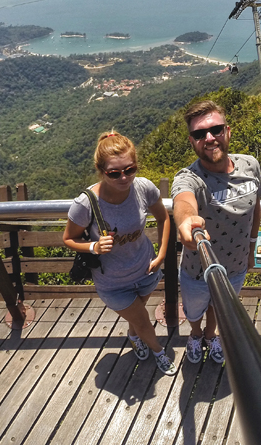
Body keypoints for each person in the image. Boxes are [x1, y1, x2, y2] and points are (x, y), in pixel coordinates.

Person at [63, 131, 176, 376]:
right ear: (100, 170)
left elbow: (163, 218)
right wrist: (93, 246)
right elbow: (68, 238)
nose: (124, 177)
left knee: (137, 320)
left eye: (130, 169)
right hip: (113, 283)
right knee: (144, 320)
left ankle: (134, 336)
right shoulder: (86, 203)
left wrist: (162, 255)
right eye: (114, 173)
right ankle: (158, 351)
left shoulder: (143, 188)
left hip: (146, 269)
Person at [171, 100, 261, 364]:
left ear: (228, 131)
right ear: (192, 141)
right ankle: (196, 334)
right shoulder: (190, 177)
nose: (209, 138)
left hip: (235, 267)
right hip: (197, 270)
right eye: (200, 134)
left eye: (216, 130)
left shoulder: (250, 166)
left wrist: (252, 248)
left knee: (220, 308)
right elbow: (183, 200)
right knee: (193, 310)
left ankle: (211, 335)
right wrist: (187, 220)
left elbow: (256, 208)